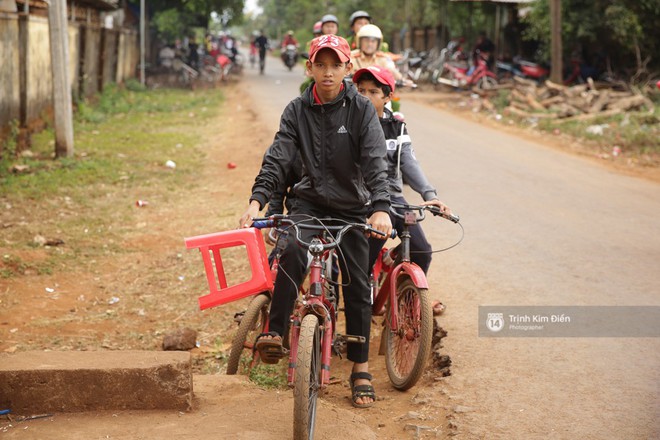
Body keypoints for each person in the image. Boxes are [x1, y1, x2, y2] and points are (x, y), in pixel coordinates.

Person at [239, 34, 392, 408]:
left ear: (346, 68)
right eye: (320, 65)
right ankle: (274, 333)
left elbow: (375, 161)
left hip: (351, 208)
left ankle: (359, 368)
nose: (327, 72)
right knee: (290, 249)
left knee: (359, 283)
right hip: (307, 204)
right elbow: (278, 156)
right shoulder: (295, 110)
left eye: (334, 65)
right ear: (309, 67)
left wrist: (381, 206)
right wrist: (258, 200)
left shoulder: (360, 110)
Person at [352, 65, 453, 314]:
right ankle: (361, 308)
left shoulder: (396, 126)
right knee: (364, 256)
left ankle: (407, 304)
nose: (366, 96)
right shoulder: (348, 122)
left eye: (373, 91)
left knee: (422, 250)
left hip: (395, 199)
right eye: (361, 90)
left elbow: (408, 162)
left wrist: (431, 196)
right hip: (362, 199)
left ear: (388, 97)